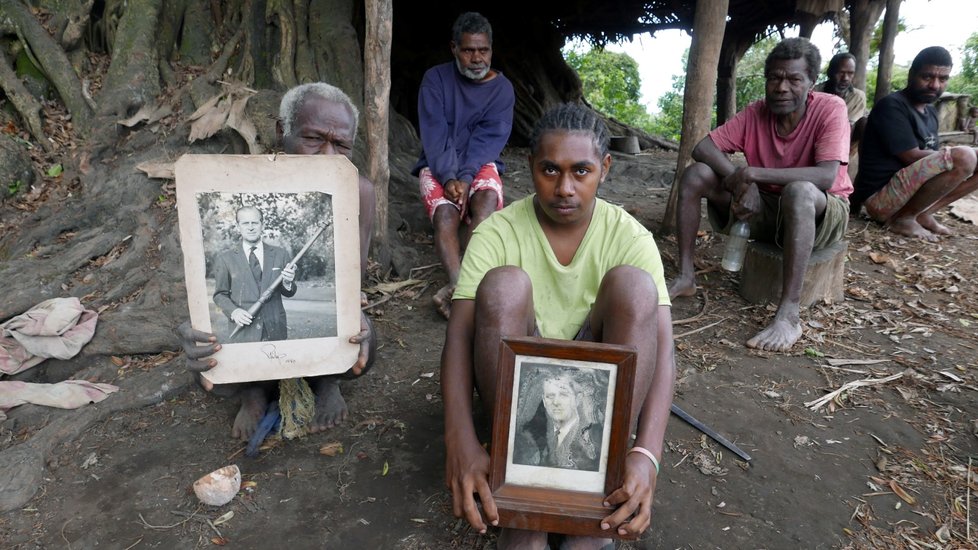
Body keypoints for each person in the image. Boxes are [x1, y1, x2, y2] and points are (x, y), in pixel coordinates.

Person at [442, 103, 675, 549]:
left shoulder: (629, 237)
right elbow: (458, 339)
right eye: (550, 170)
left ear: (604, 168)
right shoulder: (497, 232)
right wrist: (461, 440)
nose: (564, 188)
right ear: (530, 168)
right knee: (503, 287)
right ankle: (519, 479)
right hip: (517, 396)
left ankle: (601, 480)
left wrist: (646, 455)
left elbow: (663, 350)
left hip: (599, 395)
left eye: (581, 171)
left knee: (635, 287)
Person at [179, 82, 377, 441]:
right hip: (248, 321)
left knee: (365, 340)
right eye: (315, 139)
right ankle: (253, 392)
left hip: (295, 323)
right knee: (203, 357)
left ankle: (327, 382)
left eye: (342, 145)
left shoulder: (358, 190)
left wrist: (355, 314)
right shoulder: (233, 182)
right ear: (281, 132)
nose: (329, 155)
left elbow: (354, 279)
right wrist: (198, 325)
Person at [668, 37, 852, 353]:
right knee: (696, 173)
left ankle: (789, 314)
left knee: (798, 192)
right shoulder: (756, 113)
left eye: (794, 79)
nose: (781, 87)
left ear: (810, 83)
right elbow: (704, 148)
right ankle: (686, 276)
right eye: (774, 78)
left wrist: (752, 174)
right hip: (768, 207)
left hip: (821, 210)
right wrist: (744, 185)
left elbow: (825, 176)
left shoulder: (830, 108)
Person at [412, 11, 515, 319]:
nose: (476, 58)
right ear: (454, 48)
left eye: (483, 50)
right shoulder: (435, 79)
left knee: (483, 203)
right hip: (437, 161)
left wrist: (466, 179)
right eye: (468, 50)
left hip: (481, 161)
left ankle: (468, 282)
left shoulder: (502, 89)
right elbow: (435, 133)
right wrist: (448, 177)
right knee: (445, 215)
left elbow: (487, 141)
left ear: (491, 50)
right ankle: (460, 286)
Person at [851, 46, 978, 241]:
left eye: (942, 79)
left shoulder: (931, 113)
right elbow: (911, 157)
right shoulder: (892, 106)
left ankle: (923, 213)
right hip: (881, 198)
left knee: (968, 156)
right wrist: (960, 155)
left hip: (907, 195)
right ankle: (902, 219)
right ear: (911, 74)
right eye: (927, 77)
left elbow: (935, 164)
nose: (935, 85)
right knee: (965, 156)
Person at [212, 205, 297, 343]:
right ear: (238, 226)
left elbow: (289, 292)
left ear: (261, 225)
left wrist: (287, 283)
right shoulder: (225, 258)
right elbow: (220, 295)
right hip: (244, 330)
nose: (250, 227)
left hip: (275, 329)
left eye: (255, 222)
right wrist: (234, 312)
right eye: (245, 223)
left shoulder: (280, 254)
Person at [513, 369, 603, 472]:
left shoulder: (596, 440)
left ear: (577, 399)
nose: (555, 402)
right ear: (544, 401)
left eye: (563, 395)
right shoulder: (532, 438)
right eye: (550, 396)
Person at [816, 52, 868, 148]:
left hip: (845, 145)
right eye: (841, 73)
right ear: (830, 73)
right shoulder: (815, 93)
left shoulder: (857, 97)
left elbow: (849, 128)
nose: (845, 78)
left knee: (865, 123)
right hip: (817, 140)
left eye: (850, 73)